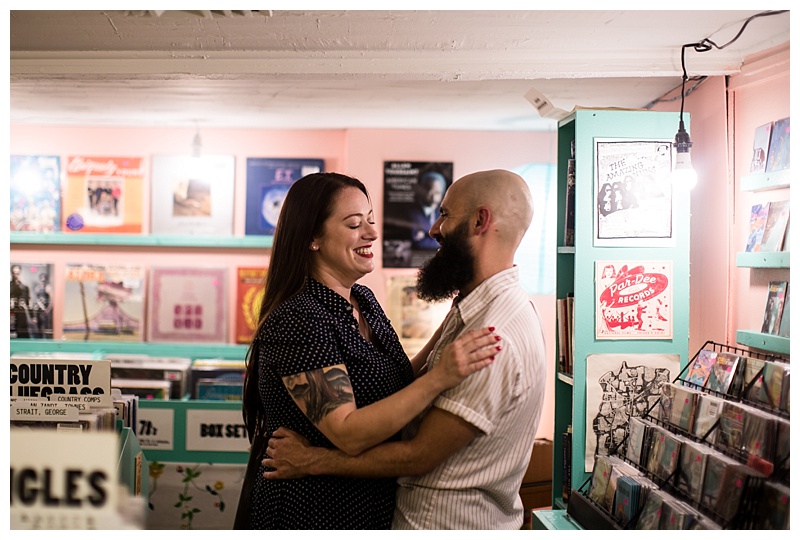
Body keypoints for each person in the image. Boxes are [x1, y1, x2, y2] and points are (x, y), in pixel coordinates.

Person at [263, 169, 548, 530]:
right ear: (313, 238)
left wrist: (455, 320)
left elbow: (396, 380)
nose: (373, 233)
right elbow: (348, 432)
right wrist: (440, 375)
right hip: (316, 512)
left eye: (370, 220)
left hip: (372, 510)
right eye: (355, 224)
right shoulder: (301, 319)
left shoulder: (362, 300)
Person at [10, 264, 32, 338]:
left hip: (21, 315)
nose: (15, 275)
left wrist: (24, 303)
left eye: (17, 273)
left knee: (22, 334)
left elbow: (28, 302)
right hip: (10, 314)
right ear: (11, 273)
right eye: (14, 273)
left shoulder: (24, 287)